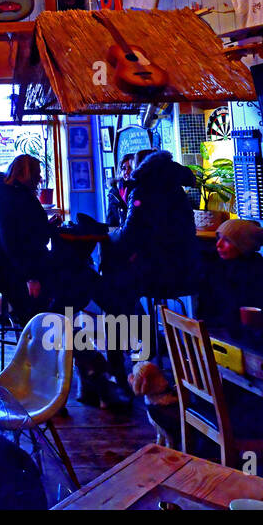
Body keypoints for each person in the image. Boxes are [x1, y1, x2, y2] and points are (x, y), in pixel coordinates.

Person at [96, 150, 198, 383]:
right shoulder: (172, 186)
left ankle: (120, 366)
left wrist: (108, 238)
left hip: (158, 272)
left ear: (139, 165)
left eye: (130, 164)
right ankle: (146, 344)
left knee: (111, 288)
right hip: (183, 269)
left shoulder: (143, 188)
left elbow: (130, 234)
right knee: (120, 285)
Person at [0, 154, 55, 322]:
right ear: (26, 175)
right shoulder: (15, 199)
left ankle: (40, 334)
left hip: (2, 269)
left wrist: (46, 227)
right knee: (68, 282)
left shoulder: (4, 195)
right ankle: (36, 335)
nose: (40, 178)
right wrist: (31, 277)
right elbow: (13, 244)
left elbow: (22, 235)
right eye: (37, 173)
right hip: (13, 273)